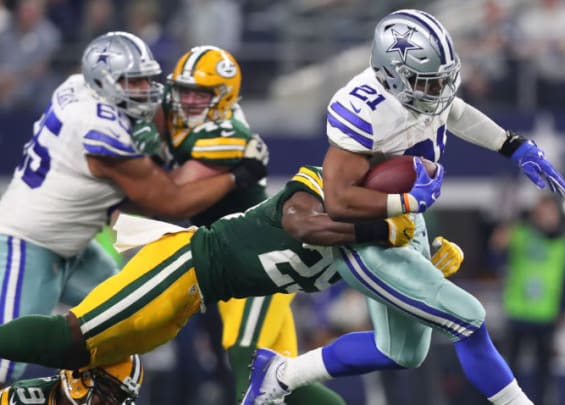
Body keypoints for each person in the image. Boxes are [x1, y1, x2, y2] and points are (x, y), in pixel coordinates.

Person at [243, 8, 565, 405]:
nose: (439, 91)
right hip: (367, 238)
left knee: (401, 351)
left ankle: (279, 375)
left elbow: (456, 111)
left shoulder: (428, 93)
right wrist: (408, 199)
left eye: (442, 80)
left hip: (406, 220)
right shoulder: (363, 110)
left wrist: (512, 144)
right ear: (391, 76)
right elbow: (340, 200)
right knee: (468, 318)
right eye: (426, 82)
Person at [0, 164, 459, 397]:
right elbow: (303, 224)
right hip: (184, 264)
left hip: (208, 297)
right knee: (73, 342)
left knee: (282, 389)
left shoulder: (371, 244)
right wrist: (379, 228)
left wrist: (423, 271)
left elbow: (389, 307)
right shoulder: (323, 187)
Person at [0, 31, 248, 384]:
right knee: (5, 363)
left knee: (127, 318)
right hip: (28, 243)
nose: (145, 89)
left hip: (72, 245)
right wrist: (236, 176)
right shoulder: (98, 129)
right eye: (133, 82)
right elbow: (168, 201)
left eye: (147, 78)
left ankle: (84, 392)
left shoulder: (78, 86)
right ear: (104, 81)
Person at [134, 45, 343, 404]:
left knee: (246, 359)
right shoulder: (181, 115)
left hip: (256, 258)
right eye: (184, 90)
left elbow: (170, 198)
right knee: (283, 381)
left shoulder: (226, 131)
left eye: (200, 93)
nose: (188, 100)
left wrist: (145, 152)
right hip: (224, 263)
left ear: (224, 96)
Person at [491, 195, 565, 405]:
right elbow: (496, 256)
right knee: (510, 371)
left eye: (551, 211)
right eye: (542, 211)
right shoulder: (520, 233)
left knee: (544, 374)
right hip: (518, 312)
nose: (547, 216)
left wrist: (564, 310)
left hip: (547, 315)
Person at [0, 354, 142, 405]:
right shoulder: (20, 399)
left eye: (119, 397)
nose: (111, 402)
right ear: (79, 374)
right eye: (107, 389)